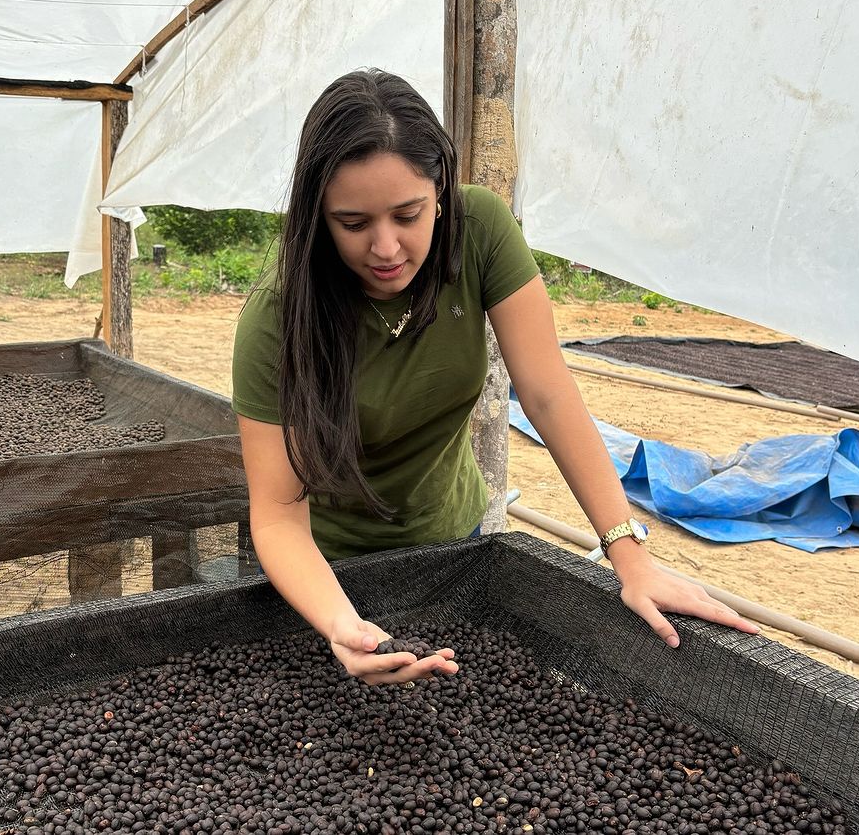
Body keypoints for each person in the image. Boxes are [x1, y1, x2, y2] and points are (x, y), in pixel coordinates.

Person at [232, 69, 758, 686]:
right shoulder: (278, 317)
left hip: (456, 540)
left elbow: (547, 392)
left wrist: (629, 553)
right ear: (317, 216)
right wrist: (340, 625)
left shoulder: (478, 229)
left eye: (409, 214)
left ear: (441, 190)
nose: (386, 247)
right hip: (327, 572)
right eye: (353, 224)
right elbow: (276, 515)